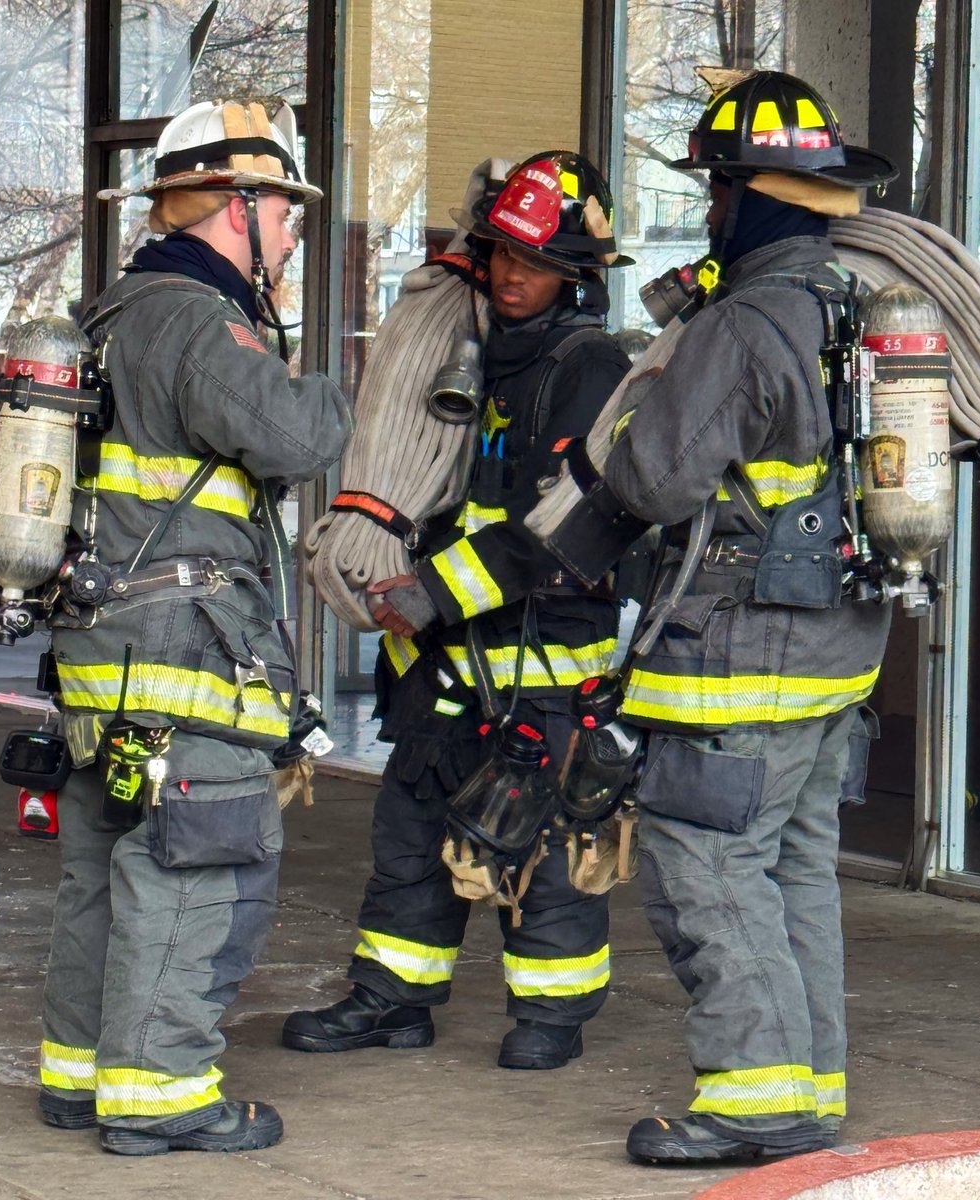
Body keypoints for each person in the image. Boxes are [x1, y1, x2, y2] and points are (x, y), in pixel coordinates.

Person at [529, 72, 899, 1162]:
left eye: (716, 189)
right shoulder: (843, 304)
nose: (707, 210)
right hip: (832, 653)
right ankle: (806, 1083)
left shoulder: (745, 321)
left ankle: (753, 1101)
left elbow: (652, 481)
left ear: (748, 195)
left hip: (741, 654)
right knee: (790, 867)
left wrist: (616, 434)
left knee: (708, 865)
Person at [36, 99, 351, 1156]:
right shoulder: (193, 320)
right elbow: (294, 439)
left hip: (105, 659)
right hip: (183, 655)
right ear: (238, 207)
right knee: (195, 864)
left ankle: (78, 1076)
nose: (295, 238)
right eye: (288, 218)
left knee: (109, 861)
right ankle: (161, 1094)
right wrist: (364, 386)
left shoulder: (108, 312)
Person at [282, 152, 633, 1071]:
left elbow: (562, 527)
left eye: (534, 262)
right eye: (499, 255)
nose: (511, 275)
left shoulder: (592, 369)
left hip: (546, 673)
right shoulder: (464, 356)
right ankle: (391, 998)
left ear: (579, 274)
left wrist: (433, 590)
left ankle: (552, 1015)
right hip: (443, 664)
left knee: (547, 847)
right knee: (411, 834)